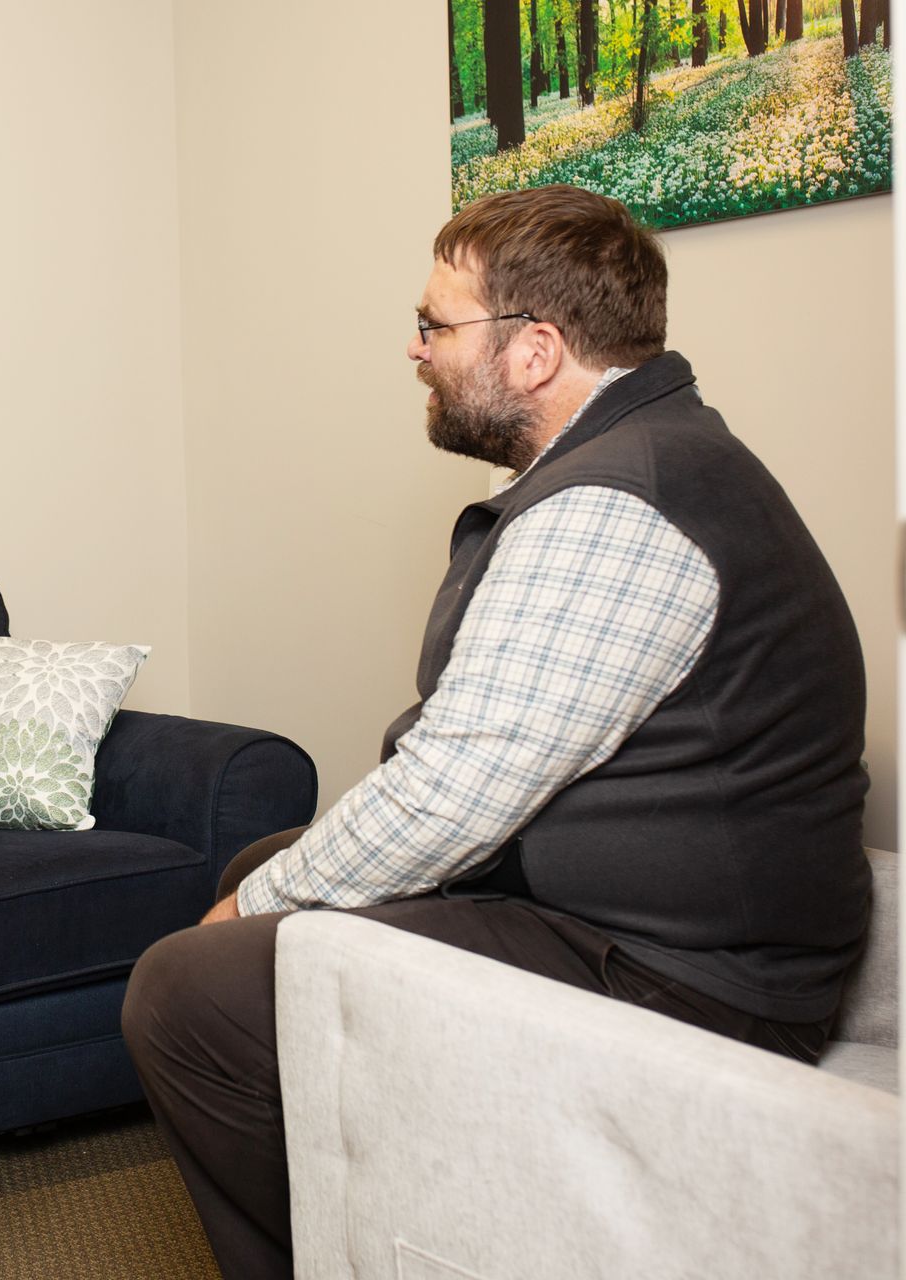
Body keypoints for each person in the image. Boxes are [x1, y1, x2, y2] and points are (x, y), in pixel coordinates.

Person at [121, 185, 871, 1279]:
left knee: (190, 988)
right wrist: (276, 883)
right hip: (619, 915)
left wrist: (259, 908)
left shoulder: (616, 504)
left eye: (435, 323)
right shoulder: (646, 455)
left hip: (692, 981)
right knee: (260, 864)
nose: (414, 348)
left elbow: (451, 792)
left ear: (532, 352)